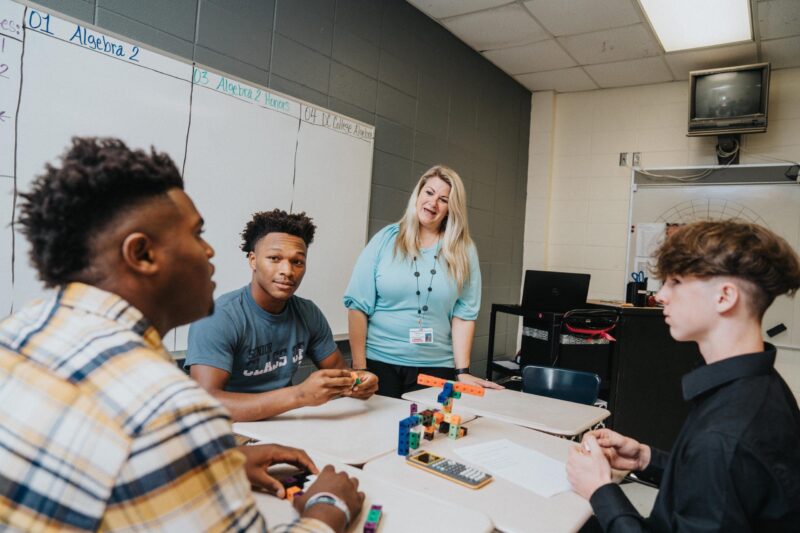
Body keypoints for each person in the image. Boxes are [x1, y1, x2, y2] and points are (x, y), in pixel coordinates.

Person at [0, 137, 363, 532]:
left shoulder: (17, 333)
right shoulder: (166, 407)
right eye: (196, 234)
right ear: (141, 254)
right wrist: (328, 510)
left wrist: (222, 463)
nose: (209, 252)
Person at [567, 220, 800, 531]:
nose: (661, 295)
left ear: (724, 297)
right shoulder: (757, 388)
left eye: (675, 281)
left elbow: (716, 461)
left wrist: (599, 489)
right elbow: (711, 485)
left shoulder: (725, 434)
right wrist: (645, 459)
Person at [186, 209, 378, 421]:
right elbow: (206, 404)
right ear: (253, 260)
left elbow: (342, 376)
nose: (287, 270)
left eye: (297, 262)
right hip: (231, 428)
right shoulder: (218, 317)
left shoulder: (308, 313)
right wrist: (300, 395)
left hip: (284, 422)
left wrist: (360, 382)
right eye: (275, 258)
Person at [344, 165, 502, 398]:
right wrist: (360, 367)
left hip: (436, 366)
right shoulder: (385, 239)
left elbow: (464, 314)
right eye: (429, 193)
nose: (433, 203)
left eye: (443, 199)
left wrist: (462, 371)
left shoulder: (463, 250)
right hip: (379, 363)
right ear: (418, 195)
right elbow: (357, 305)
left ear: (451, 208)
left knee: (428, 432)